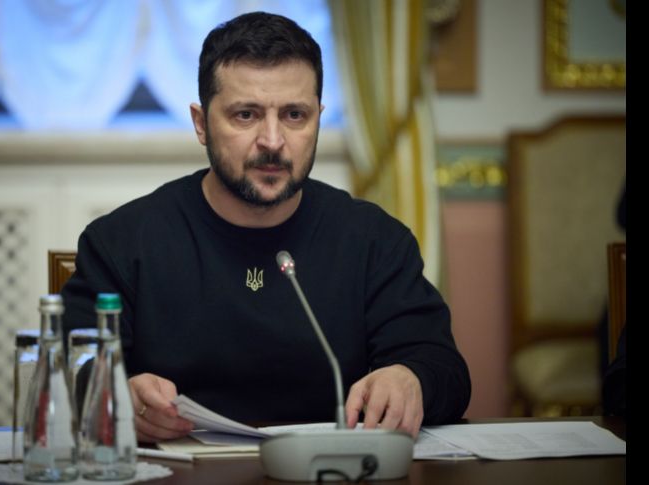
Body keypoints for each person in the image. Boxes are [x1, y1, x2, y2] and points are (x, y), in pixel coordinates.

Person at [62, 11, 471, 443]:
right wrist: (116, 396)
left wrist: (411, 378)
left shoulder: (375, 241)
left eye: (295, 115)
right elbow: (71, 368)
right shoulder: (122, 242)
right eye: (246, 115)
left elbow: (444, 369)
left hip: (329, 466)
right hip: (177, 467)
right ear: (201, 124)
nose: (273, 141)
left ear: (318, 118)